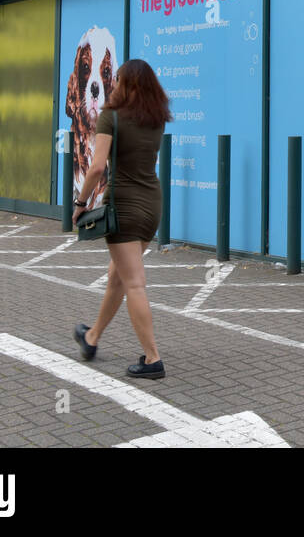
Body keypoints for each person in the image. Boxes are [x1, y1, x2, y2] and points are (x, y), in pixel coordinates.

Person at [70, 58, 172, 378]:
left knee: (134, 282)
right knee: (118, 275)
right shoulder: (156, 119)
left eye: (115, 78)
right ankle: (92, 337)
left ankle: (153, 359)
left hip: (124, 208)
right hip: (152, 206)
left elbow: (98, 167)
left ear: (122, 84)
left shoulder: (110, 117)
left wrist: (81, 201)